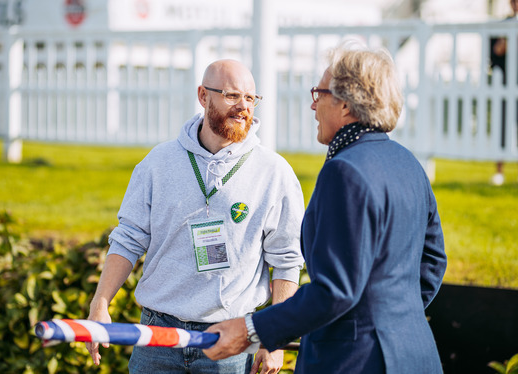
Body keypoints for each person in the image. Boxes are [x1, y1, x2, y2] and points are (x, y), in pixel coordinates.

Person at [203, 40, 448, 373]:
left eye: (319, 94)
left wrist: (251, 329)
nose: (313, 107)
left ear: (345, 105)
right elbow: (432, 261)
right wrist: (392, 318)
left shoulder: (344, 170)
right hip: (415, 353)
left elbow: (336, 290)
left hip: (356, 361)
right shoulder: (408, 163)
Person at [85, 59, 305, 374]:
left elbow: (286, 259)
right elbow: (128, 238)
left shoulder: (273, 172)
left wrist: (275, 339)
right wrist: (101, 302)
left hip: (231, 339)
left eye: (250, 98)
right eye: (232, 96)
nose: (243, 106)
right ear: (203, 96)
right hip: (157, 336)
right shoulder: (158, 163)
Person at [489, 0, 518, 185]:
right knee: (502, 127)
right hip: (506, 83)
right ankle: (499, 171)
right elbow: (495, 54)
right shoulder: (501, 27)